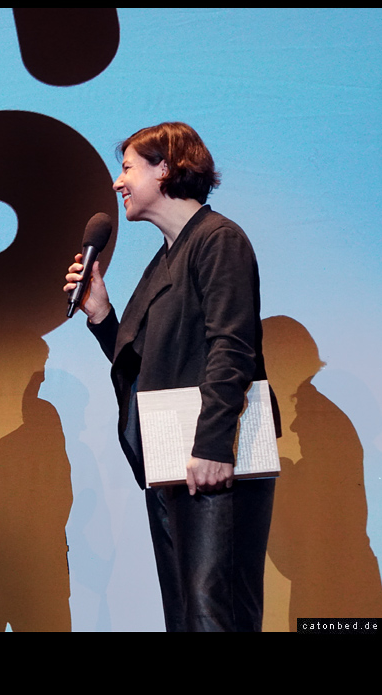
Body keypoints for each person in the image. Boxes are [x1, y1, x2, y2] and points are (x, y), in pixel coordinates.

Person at [64, 122, 278, 631]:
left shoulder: (218, 240)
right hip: (172, 463)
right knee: (184, 614)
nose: (118, 182)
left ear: (166, 169)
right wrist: (101, 316)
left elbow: (233, 348)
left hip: (209, 460)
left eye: (128, 168)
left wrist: (211, 446)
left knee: (214, 612)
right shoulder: (164, 259)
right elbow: (144, 363)